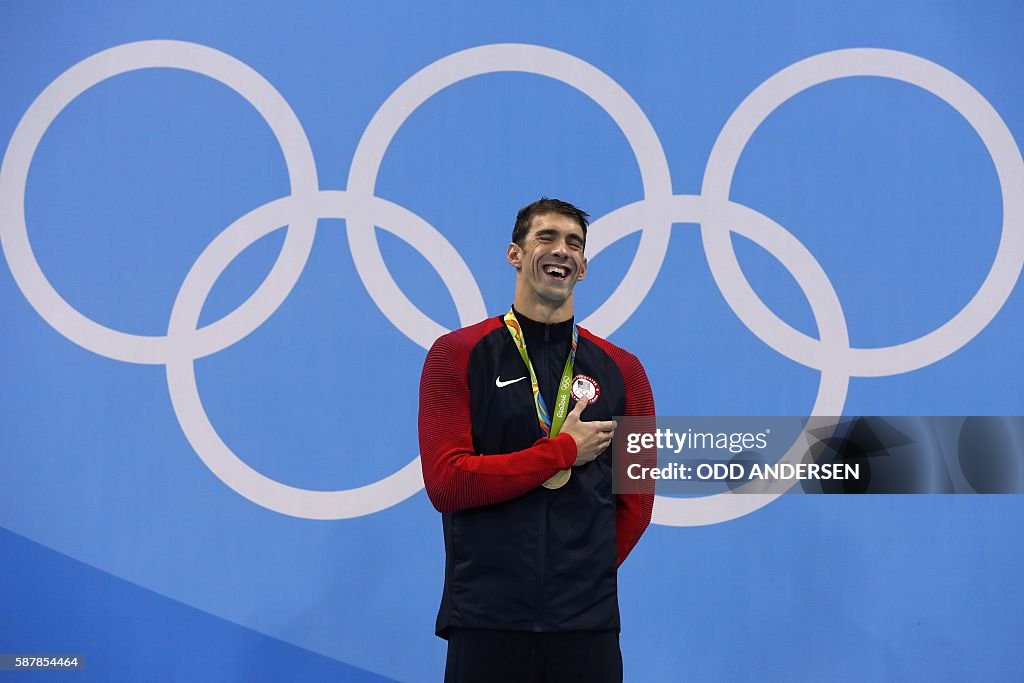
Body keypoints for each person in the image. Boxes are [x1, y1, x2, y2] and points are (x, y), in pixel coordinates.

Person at [418, 197, 655, 682]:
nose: (561, 250)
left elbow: (638, 500)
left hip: (585, 626)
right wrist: (562, 451)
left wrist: (581, 574)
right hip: (486, 618)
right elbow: (447, 481)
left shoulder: (624, 370)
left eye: (574, 243)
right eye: (546, 237)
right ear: (515, 254)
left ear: (583, 268)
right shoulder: (456, 354)